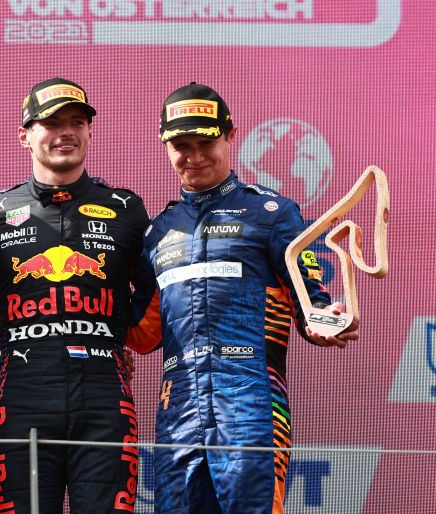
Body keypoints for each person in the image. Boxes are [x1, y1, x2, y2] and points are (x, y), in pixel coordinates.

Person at [129, 82, 360, 513]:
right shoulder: (157, 232)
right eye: (182, 145)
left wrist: (330, 319)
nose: (195, 157)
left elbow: (310, 302)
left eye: (206, 143)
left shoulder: (271, 213)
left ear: (230, 136)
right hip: (177, 404)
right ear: (165, 146)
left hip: (251, 399)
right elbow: (143, 335)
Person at [0, 78, 155, 513]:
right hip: (24, 395)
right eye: (51, 123)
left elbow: (153, 295)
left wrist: (117, 341)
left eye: (77, 121)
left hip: (104, 397)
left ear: (90, 131)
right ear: (25, 135)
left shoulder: (125, 208)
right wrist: (30, 346)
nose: (66, 132)